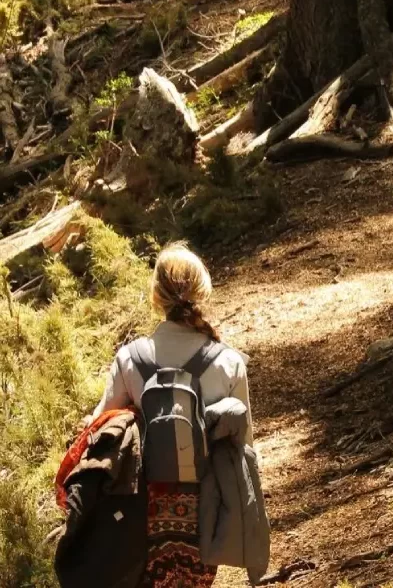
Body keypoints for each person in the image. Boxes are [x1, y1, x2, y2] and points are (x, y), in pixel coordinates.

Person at [91, 242, 253, 588]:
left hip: (142, 509)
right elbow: (245, 446)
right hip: (205, 509)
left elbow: (101, 427)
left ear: (156, 296)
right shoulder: (228, 361)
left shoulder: (130, 358)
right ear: (202, 292)